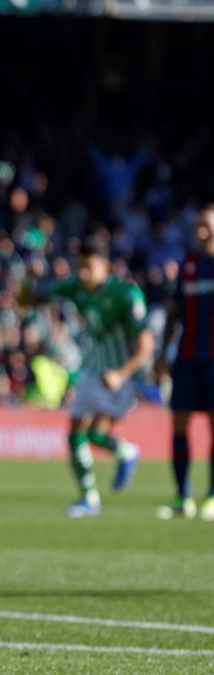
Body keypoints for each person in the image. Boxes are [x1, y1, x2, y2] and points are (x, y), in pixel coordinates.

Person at [21, 240, 152, 518]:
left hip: (123, 374)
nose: (82, 274)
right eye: (79, 267)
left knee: (96, 434)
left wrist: (121, 373)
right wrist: (29, 277)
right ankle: (89, 498)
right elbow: (26, 300)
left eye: (88, 268)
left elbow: (146, 346)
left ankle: (127, 452)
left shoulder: (126, 295)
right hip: (93, 368)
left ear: (106, 267)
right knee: (76, 433)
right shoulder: (75, 287)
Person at [155, 206, 214, 520]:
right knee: (179, 423)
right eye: (198, 225)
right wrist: (163, 354)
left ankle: (213, 497)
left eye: (206, 224)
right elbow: (174, 313)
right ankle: (182, 495)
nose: (201, 230)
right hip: (188, 358)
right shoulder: (188, 265)